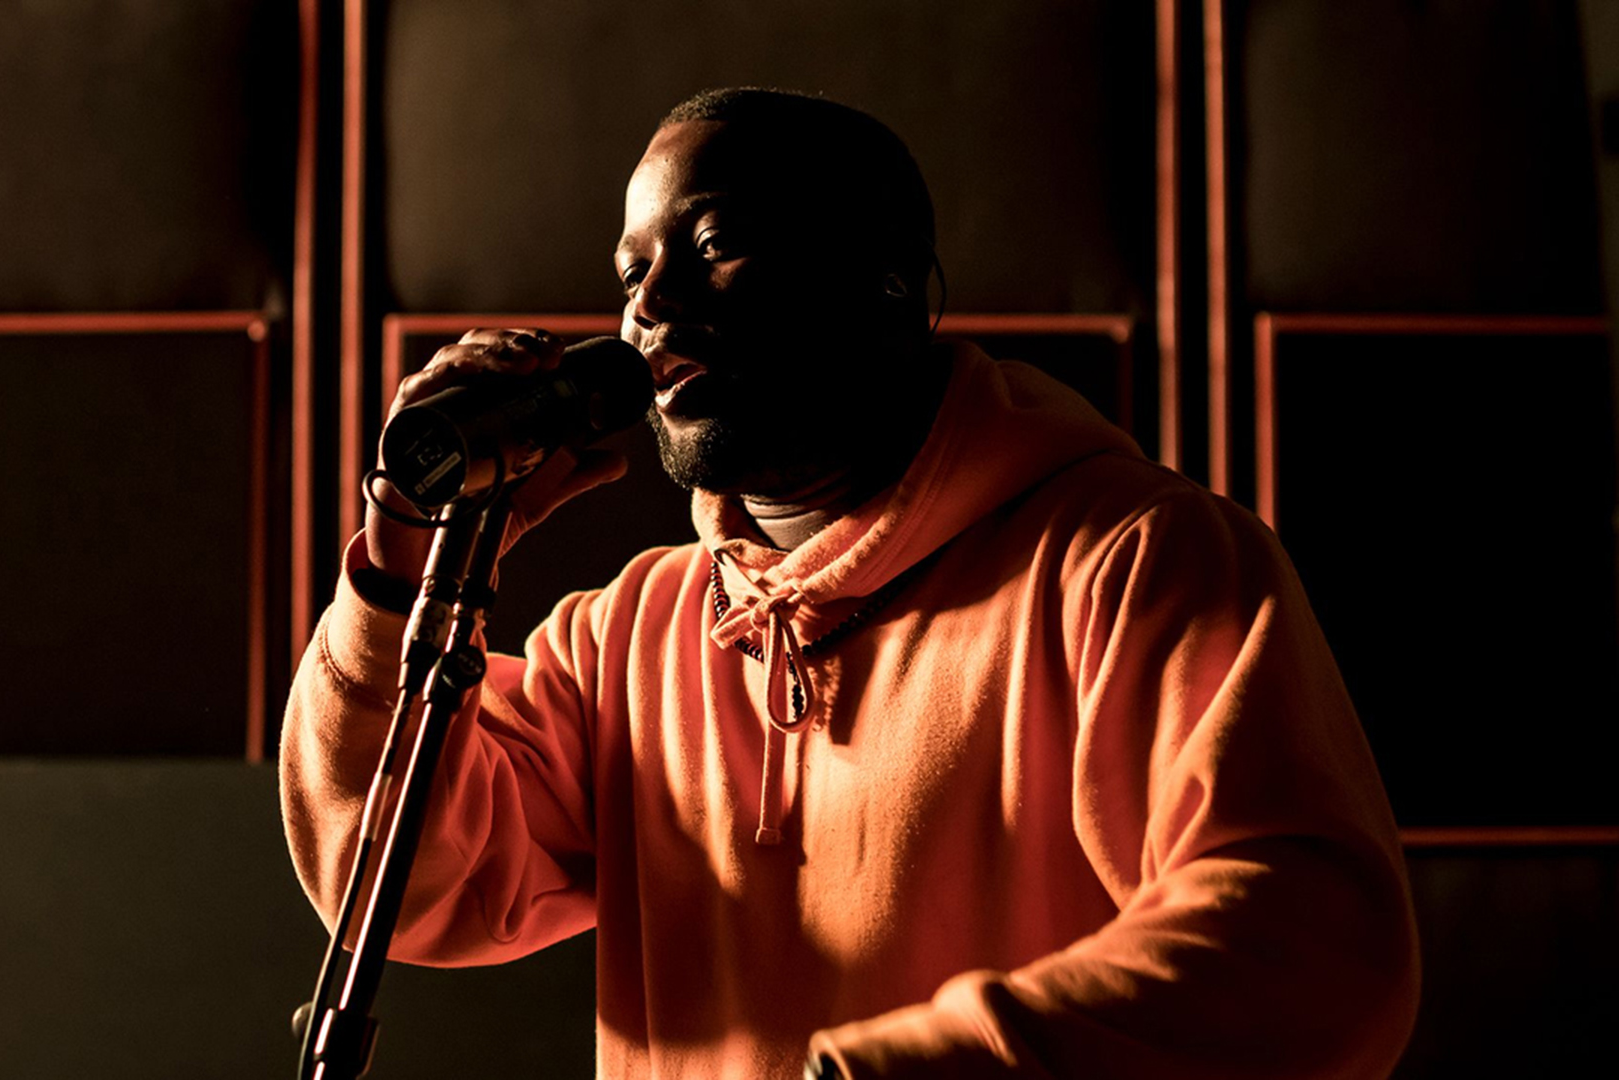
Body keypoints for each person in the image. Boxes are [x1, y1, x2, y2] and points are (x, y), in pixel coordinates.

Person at [281, 88, 1419, 1078]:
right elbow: (407, 890)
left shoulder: (1131, 561)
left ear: (889, 278)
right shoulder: (629, 636)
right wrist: (397, 560)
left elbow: (1308, 948)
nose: (651, 307)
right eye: (631, 273)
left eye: (714, 242)